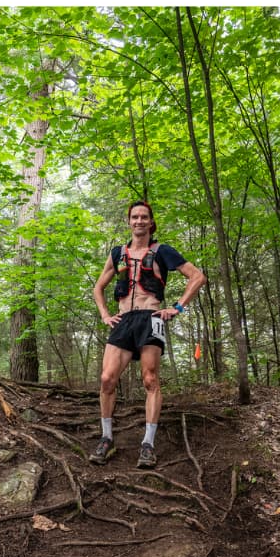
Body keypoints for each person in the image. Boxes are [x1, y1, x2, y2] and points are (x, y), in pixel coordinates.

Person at [89, 201, 208, 471]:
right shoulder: (118, 253)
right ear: (128, 221)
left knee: (150, 379)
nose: (139, 221)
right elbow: (98, 288)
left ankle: (148, 444)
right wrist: (105, 315)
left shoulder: (162, 251)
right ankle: (107, 438)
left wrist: (177, 307)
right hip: (123, 320)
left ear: (151, 222)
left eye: (144, 217)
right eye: (134, 217)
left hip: (151, 318)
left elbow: (197, 277)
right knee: (107, 379)